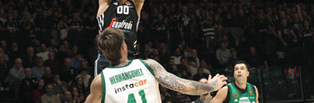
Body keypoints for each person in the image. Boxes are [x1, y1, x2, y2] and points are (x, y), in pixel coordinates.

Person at [85, 28, 227, 103]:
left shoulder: (100, 82)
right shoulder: (148, 65)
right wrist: (212, 86)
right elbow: (185, 87)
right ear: (124, 48)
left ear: (104, 54)